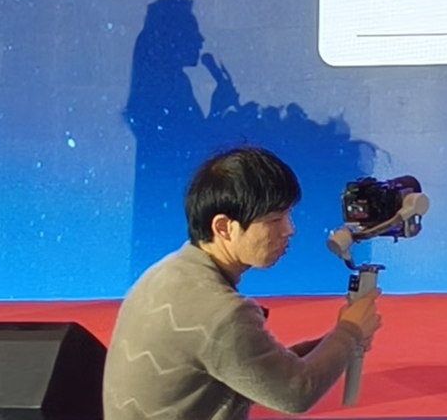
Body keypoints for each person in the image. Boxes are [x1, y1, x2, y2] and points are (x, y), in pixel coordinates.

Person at [105, 147, 381, 420]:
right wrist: (349, 332)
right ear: (224, 227)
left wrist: (337, 340)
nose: (290, 230)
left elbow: (251, 367)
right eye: (275, 219)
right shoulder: (221, 313)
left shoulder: (163, 275)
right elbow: (295, 393)